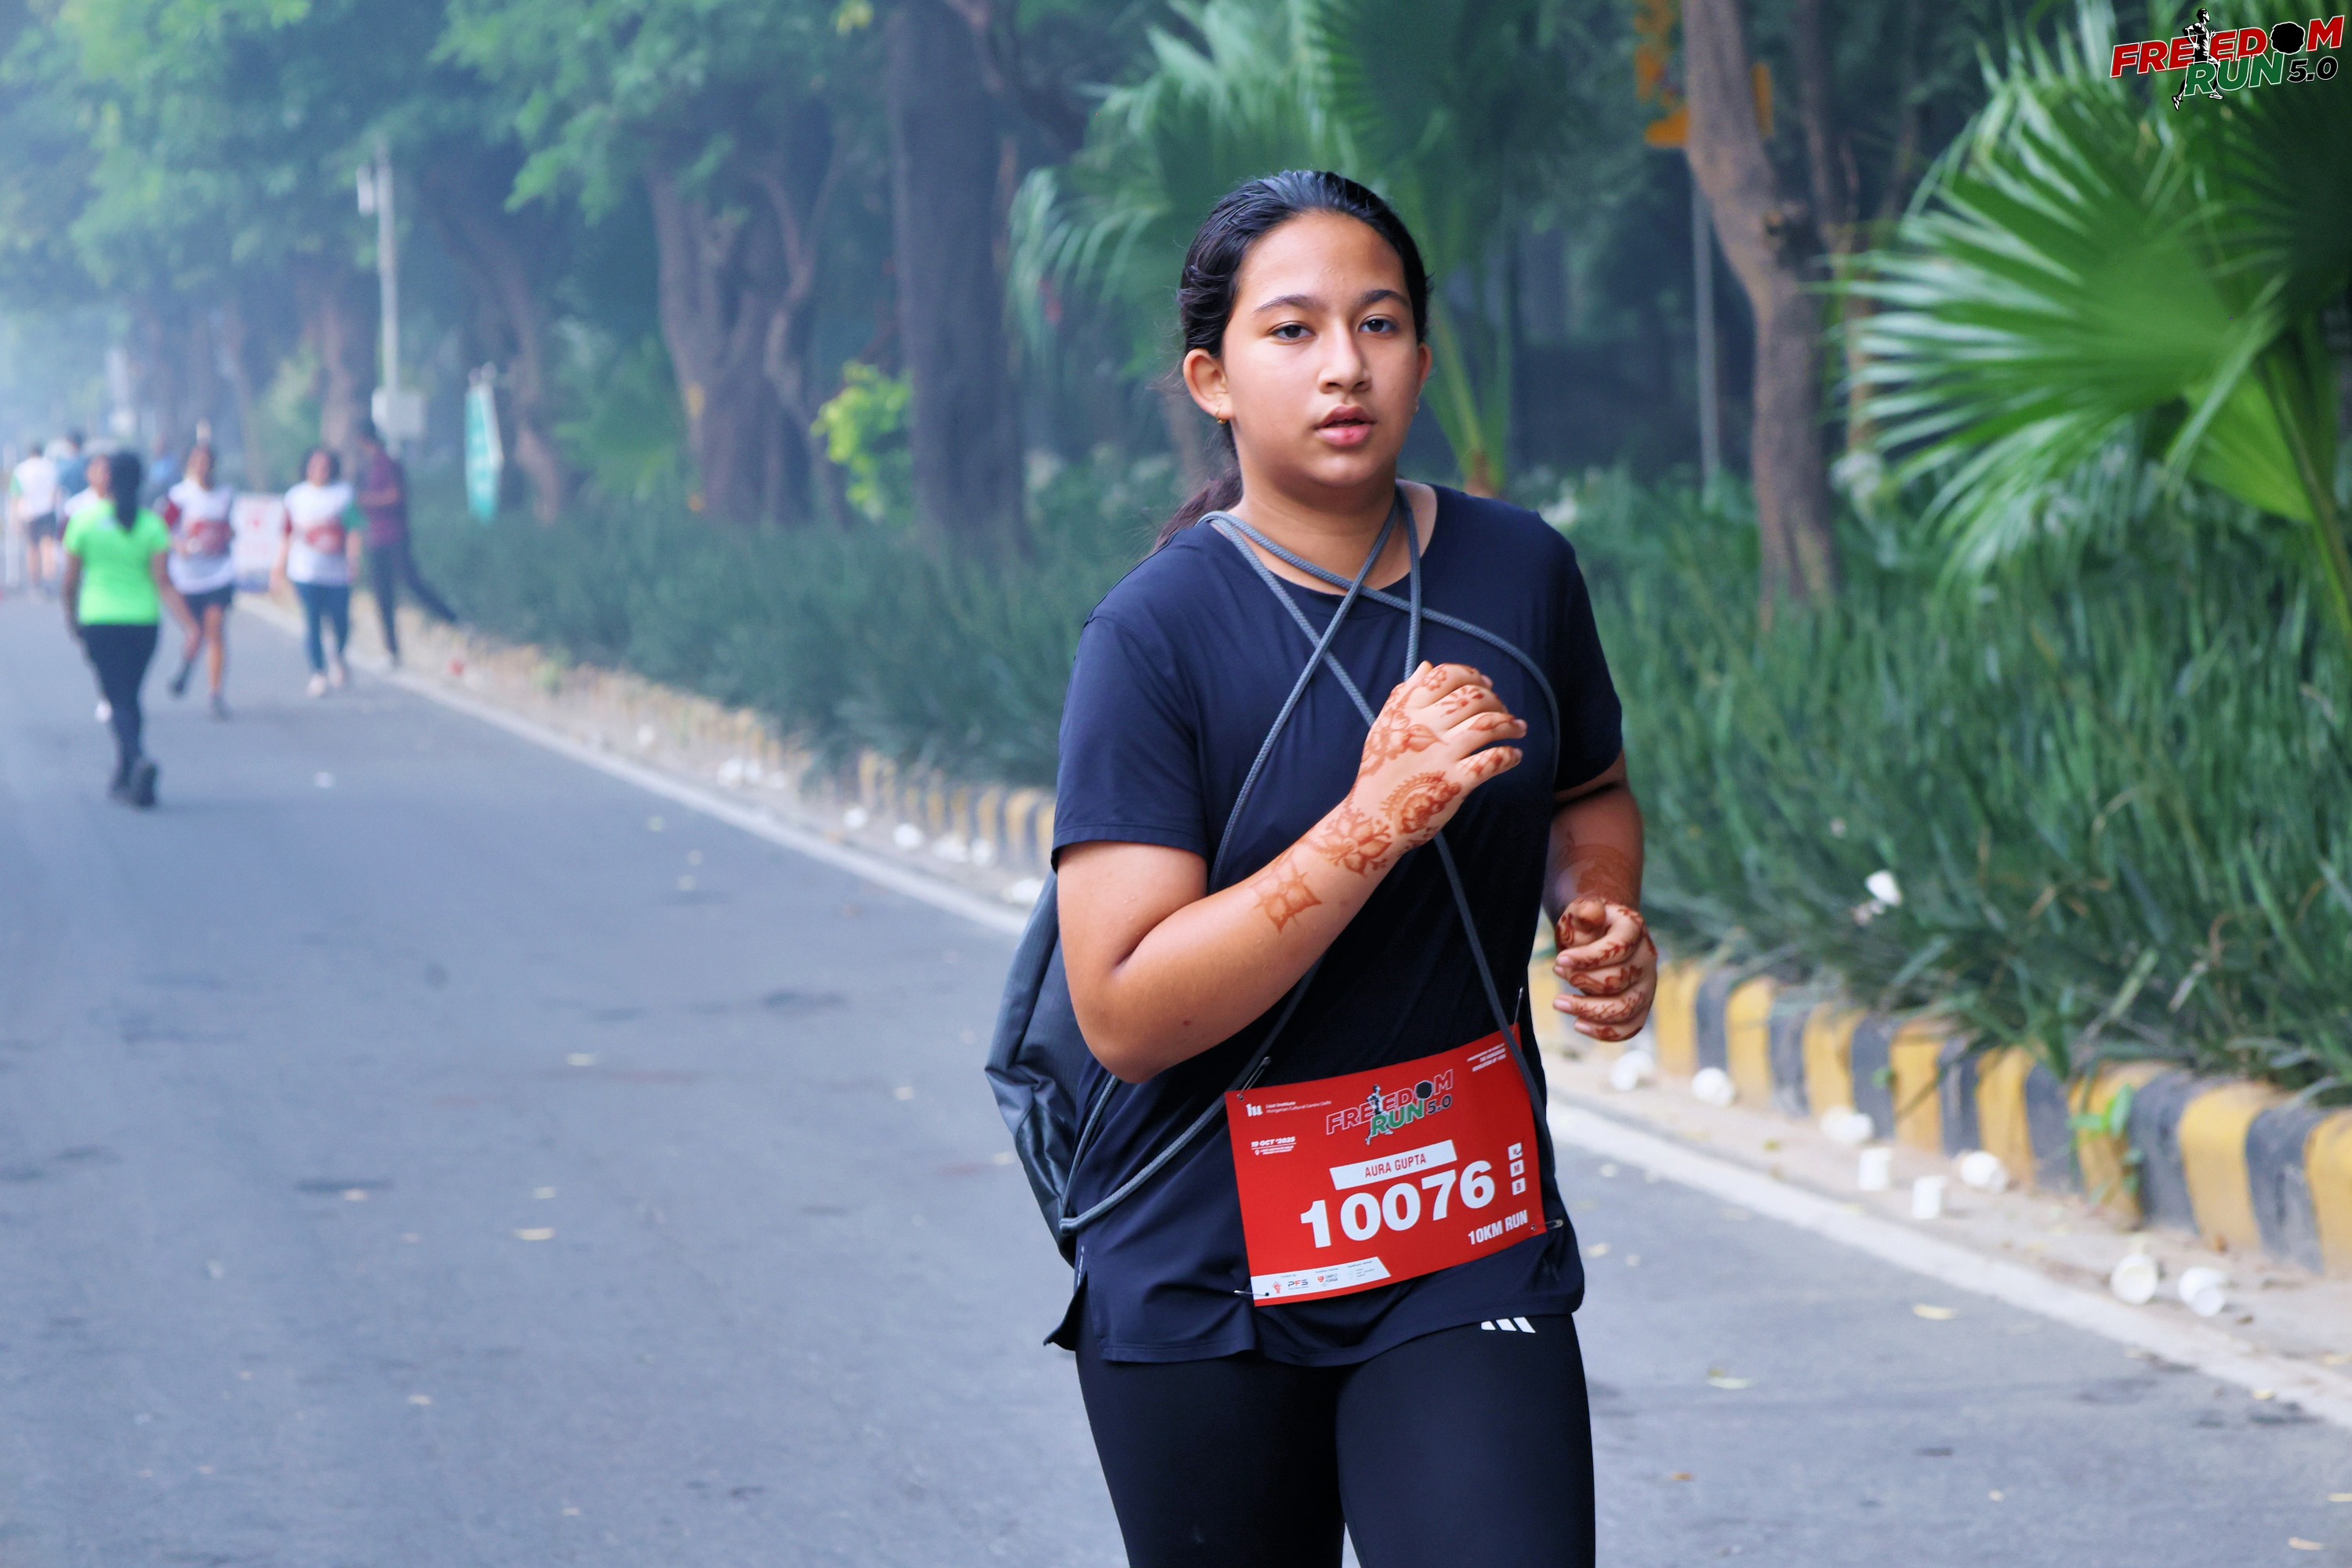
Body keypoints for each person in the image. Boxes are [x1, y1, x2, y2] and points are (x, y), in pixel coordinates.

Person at [1048, 172, 1657, 1567]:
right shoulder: (1151, 637)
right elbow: (1127, 1013)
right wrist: (1376, 819)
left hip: (1458, 1223)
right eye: (1293, 330)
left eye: (1379, 324)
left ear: (1423, 358)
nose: (1344, 365)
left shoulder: (1520, 570)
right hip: (1204, 1261)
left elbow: (1588, 790)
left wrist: (1598, 906)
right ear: (1211, 379)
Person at [61, 450, 193, 807]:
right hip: (143, 623)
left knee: (116, 698)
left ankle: (137, 758)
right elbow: (164, 582)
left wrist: (72, 619)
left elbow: (70, 582)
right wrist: (189, 626)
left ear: (108, 480)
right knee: (129, 696)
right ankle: (126, 772)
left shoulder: (84, 522)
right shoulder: (152, 526)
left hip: (100, 620)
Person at [354, 420, 456, 666]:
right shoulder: (369, 466)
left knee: (411, 581)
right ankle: (391, 650)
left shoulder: (387, 464)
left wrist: (365, 500)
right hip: (376, 537)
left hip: (394, 535)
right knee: (383, 594)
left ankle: (452, 620)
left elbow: (395, 496)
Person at [275, 446, 361, 696]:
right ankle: (318, 672)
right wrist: (279, 567)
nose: (320, 471)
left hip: (337, 571)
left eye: (325, 466)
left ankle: (338, 654)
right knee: (312, 621)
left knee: (340, 621)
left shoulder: (344, 494)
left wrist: (354, 560)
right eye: (315, 466)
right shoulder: (296, 497)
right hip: (306, 570)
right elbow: (287, 534)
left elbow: (354, 528)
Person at [162, 442, 238, 717]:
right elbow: (162, 529)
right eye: (198, 462)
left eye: (207, 462)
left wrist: (223, 536)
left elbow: (232, 528)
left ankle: (215, 693)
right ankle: (186, 665)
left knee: (215, 631)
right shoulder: (180, 496)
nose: (202, 467)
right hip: (187, 577)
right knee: (196, 633)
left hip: (219, 574)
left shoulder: (226, 496)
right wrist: (179, 545)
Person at [8, 437, 59, 594]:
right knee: (48, 547)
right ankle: (49, 580)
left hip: (28, 513)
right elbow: (55, 491)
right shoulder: (50, 467)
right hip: (48, 510)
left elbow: (16, 495)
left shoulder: (21, 470)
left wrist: (14, 518)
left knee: (32, 548)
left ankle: (35, 582)